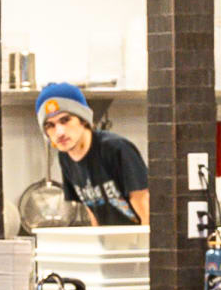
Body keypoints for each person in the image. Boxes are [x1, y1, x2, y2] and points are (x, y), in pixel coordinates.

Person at [34, 83, 151, 227]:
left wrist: (149, 247)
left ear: (83, 119)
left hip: (137, 241)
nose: (59, 132)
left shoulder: (115, 148)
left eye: (65, 120)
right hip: (110, 244)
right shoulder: (65, 158)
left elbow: (143, 201)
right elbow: (91, 208)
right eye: (50, 125)